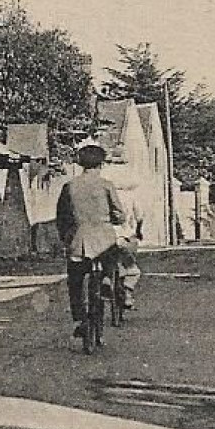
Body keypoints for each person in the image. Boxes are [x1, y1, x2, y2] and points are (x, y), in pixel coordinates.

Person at [55, 136, 126, 339]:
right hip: (104, 239)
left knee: (75, 281)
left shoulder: (69, 186)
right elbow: (119, 214)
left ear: (80, 163)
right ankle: (106, 281)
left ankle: (80, 319)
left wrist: (66, 238)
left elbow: (62, 216)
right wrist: (114, 219)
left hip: (79, 241)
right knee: (111, 261)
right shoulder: (106, 185)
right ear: (101, 164)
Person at [113, 191, 144, 310]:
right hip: (125, 236)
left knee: (106, 262)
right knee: (132, 268)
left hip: (106, 237)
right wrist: (138, 231)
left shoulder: (103, 195)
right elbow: (139, 217)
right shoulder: (131, 196)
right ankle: (127, 292)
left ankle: (106, 280)